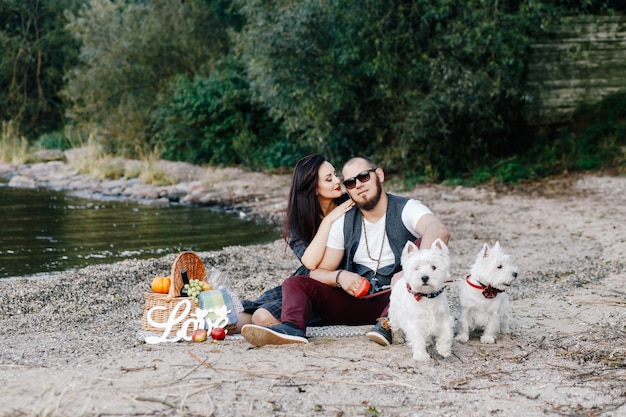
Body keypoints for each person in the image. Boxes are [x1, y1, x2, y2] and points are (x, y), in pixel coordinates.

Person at [241, 156, 451, 346]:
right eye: (350, 182)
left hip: (396, 296)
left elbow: (438, 229)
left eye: (364, 177)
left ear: (379, 175)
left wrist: (409, 271)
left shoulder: (406, 208)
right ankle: (293, 329)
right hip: (356, 298)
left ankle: (388, 325)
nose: (358, 185)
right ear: (348, 190)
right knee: (294, 282)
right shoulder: (343, 219)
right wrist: (340, 276)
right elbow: (316, 271)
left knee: (422, 244)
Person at [235, 154, 354, 332]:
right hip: (306, 279)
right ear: (314, 188)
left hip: (336, 281)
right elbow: (310, 263)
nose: (338, 181)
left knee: (262, 316)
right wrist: (329, 220)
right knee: (239, 317)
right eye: (329, 179)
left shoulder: (349, 204)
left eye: (335, 175)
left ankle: (286, 330)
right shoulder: (299, 220)